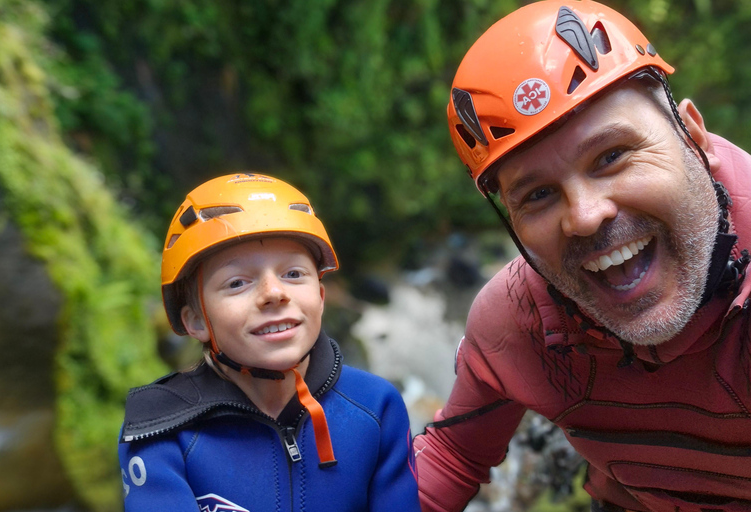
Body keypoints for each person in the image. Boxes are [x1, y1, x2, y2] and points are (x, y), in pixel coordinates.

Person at [413, 1, 751, 511]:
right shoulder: (519, 321)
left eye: (612, 156)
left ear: (694, 137)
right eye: (538, 195)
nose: (586, 216)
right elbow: (452, 456)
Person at [118, 173, 420, 511]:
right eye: (236, 283)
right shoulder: (160, 430)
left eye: (293, 274)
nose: (274, 293)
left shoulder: (376, 408)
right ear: (197, 321)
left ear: (320, 297)